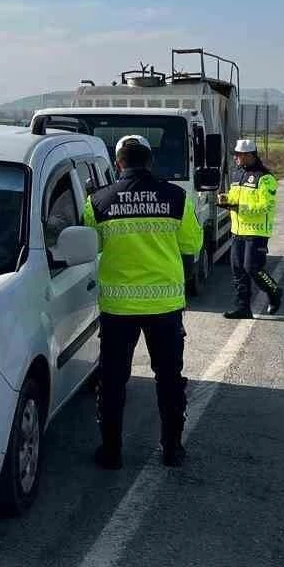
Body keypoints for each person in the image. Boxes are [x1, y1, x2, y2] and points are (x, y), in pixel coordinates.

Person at [83, 135, 204, 469]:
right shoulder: (176, 197)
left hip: (118, 308)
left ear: (119, 162)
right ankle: (173, 450)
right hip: (165, 307)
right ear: (150, 162)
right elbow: (192, 243)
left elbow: (87, 247)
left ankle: (110, 452)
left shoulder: (98, 201)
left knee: (112, 381)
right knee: (169, 378)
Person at [220, 138, 283, 319]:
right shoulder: (236, 174)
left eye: (239, 155)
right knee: (238, 270)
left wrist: (240, 208)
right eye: (235, 155)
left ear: (250, 155)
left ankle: (274, 292)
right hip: (238, 230)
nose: (236, 158)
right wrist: (225, 200)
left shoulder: (266, 178)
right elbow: (234, 197)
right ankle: (243, 308)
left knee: (253, 268)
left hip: (256, 232)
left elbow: (267, 206)